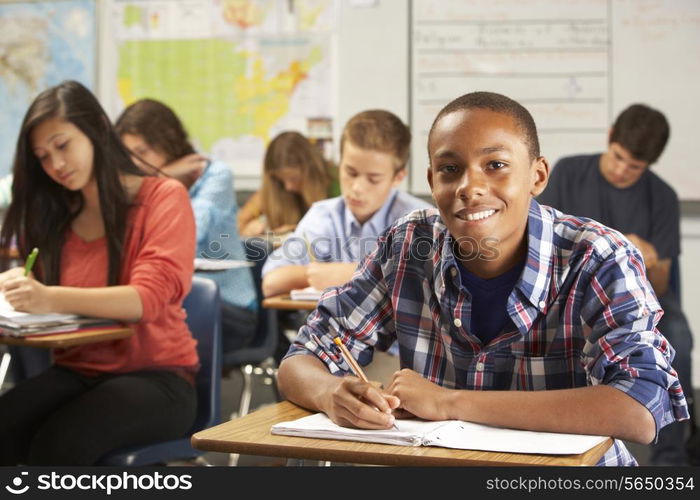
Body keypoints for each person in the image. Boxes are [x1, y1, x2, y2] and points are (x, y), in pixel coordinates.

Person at [275, 91, 688, 466]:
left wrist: (451, 402)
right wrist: (330, 394)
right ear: (432, 181)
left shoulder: (600, 258)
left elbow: (639, 408)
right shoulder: (408, 246)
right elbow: (302, 357)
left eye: (496, 165)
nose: (470, 187)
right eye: (450, 169)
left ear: (538, 176)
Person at [0, 81, 198, 465]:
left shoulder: (164, 197)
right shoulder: (56, 215)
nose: (55, 164)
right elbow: (48, 312)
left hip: (158, 378)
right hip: (78, 371)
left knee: (57, 446)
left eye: (62, 145)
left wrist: (48, 296)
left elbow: (147, 299)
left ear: (95, 131)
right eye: (42, 156)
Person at [537, 103, 695, 466]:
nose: (623, 171)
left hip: (641, 301)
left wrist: (652, 257)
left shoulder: (663, 197)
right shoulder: (570, 172)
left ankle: (669, 459)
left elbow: (662, 283)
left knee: (678, 337)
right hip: (573, 294)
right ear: (610, 138)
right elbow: (544, 247)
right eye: (619, 157)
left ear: (650, 165)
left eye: (635, 167)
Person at [115, 98, 258, 353]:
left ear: (168, 143)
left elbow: (187, 235)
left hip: (227, 306)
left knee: (152, 321)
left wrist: (162, 181)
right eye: (128, 155)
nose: (135, 164)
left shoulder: (215, 174)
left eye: (142, 152)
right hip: (172, 301)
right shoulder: (136, 187)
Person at [261, 109, 431, 298]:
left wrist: (352, 273)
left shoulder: (420, 221)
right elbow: (271, 282)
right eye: (350, 172)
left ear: (398, 177)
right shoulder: (323, 216)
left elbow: (433, 286)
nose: (357, 187)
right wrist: (317, 274)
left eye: (373, 179)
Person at [238, 131, 340, 237]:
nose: (288, 187)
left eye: (294, 179)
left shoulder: (337, 182)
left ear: (310, 171)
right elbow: (238, 224)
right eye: (281, 181)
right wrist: (248, 230)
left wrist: (296, 231)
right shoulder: (274, 189)